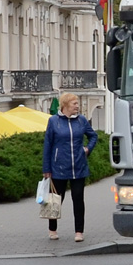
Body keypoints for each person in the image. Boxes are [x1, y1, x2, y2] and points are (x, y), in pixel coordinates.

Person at [42, 92, 98, 242]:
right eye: (74, 104)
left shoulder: (81, 120)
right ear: (65, 105)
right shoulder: (54, 121)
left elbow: (93, 136)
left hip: (78, 167)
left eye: (77, 104)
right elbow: (48, 145)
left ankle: (79, 232)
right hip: (58, 168)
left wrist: (87, 149)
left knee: (78, 199)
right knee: (55, 200)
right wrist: (46, 169)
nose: (77, 106)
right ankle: (52, 229)